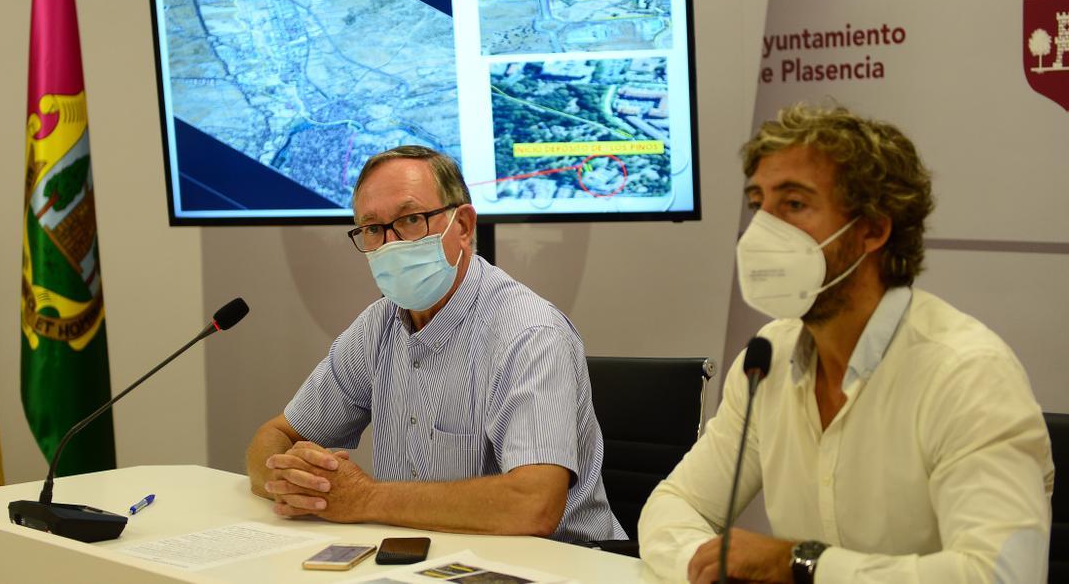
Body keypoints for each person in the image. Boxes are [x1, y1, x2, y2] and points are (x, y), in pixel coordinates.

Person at [639, 104, 1054, 583]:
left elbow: (1003, 575)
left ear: (873, 229)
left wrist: (801, 565)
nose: (762, 233)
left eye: (793, 204)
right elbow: (674, 505)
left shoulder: (966, 373)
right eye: (759, 205)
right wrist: (708, 568)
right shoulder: (768, 357)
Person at [245, 145, 624, 543]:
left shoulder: (529, 334)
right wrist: (291, 478)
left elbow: (533, 505)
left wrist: (366, 498)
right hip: (430, 559)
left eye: (410, 219)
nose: (390, 244)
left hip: (559, 566)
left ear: (462, 226)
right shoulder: (379, 324)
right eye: (373, 228)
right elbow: (276, 435)